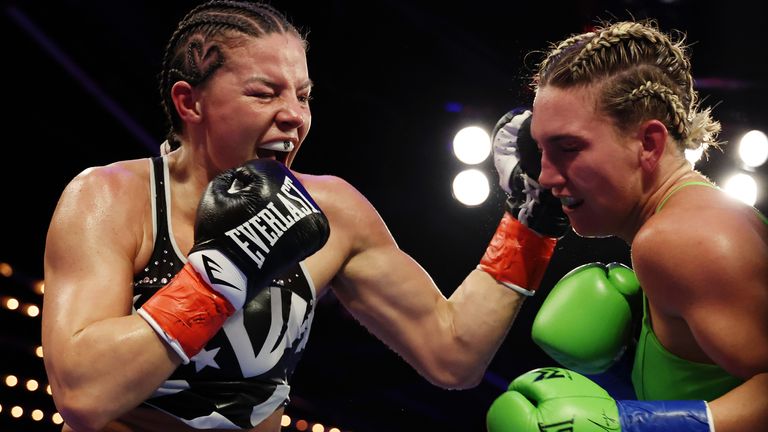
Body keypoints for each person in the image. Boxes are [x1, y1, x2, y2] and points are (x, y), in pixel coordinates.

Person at [41, 1, 569, 431]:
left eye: (303, 95)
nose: (293, 114)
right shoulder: (110, 199)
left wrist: (529, 220)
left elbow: (453, 354)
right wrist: (228, 267)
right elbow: (83, 395)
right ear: (189, 102)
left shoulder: (330, 209)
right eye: (263, 93)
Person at [486, 19, 768, 431]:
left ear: (648, 144)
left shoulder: (680, 240)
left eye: (568, 148)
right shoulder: (702, 218)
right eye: (541, 150)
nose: (545, 177)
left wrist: (631, 424)